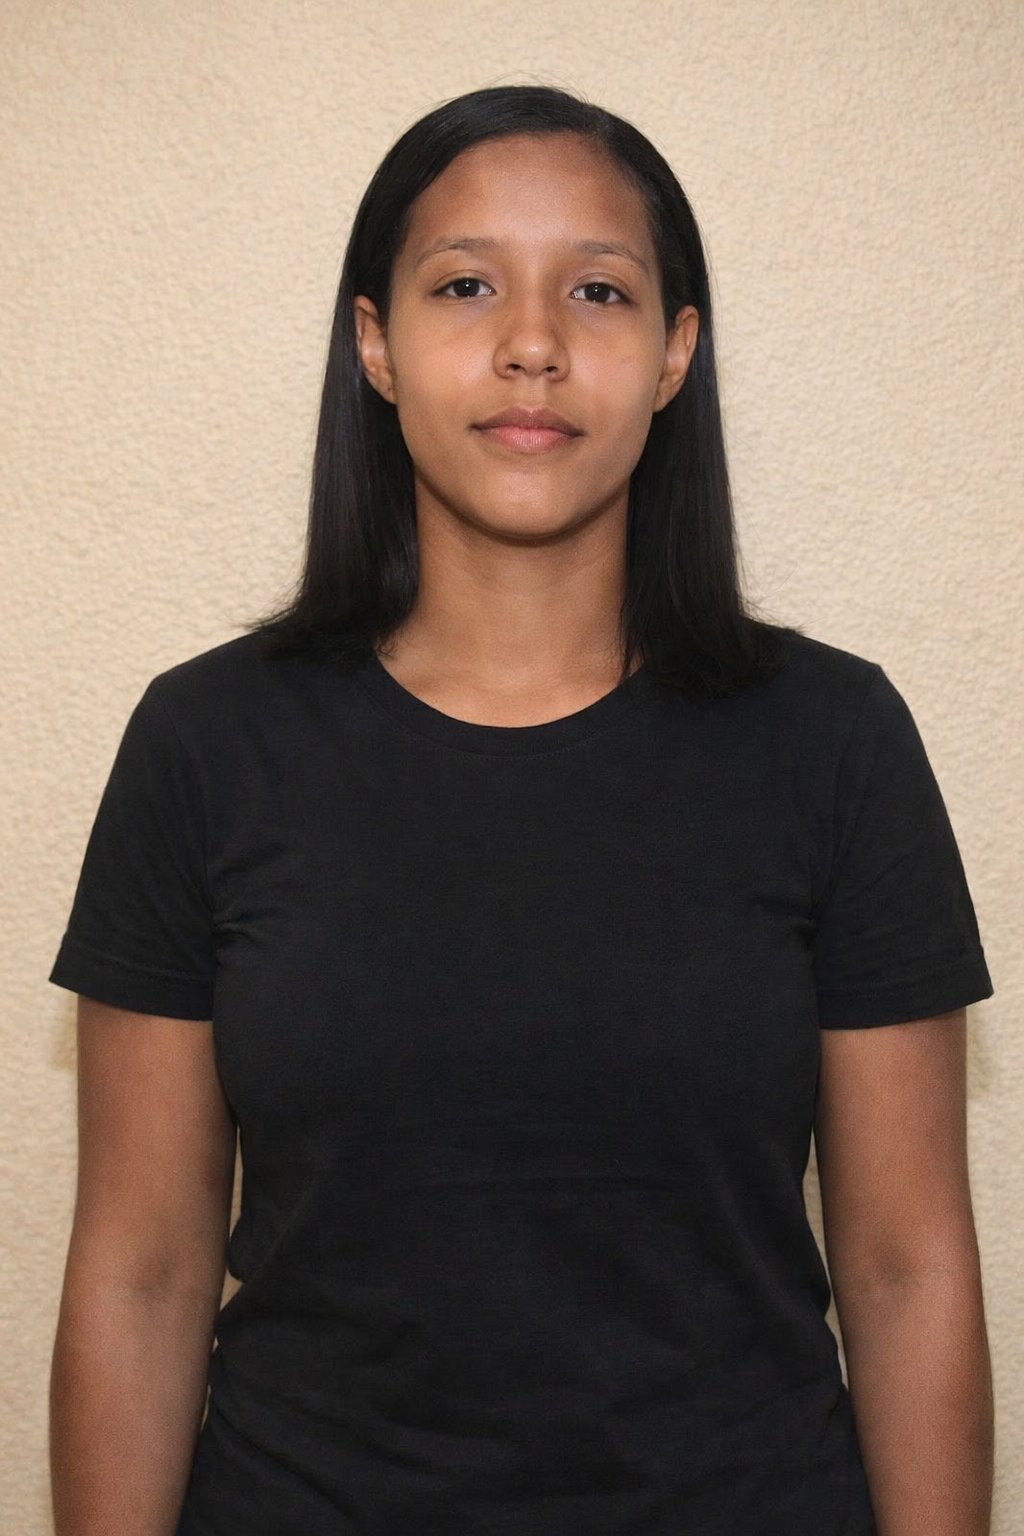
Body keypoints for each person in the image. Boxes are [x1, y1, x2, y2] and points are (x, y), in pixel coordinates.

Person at [48, 84, 995, 1536]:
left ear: (675, 355)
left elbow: (907, 1266)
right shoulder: (205, 743)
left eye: (598, 291)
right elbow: (143, 1272)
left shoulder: (834, 741)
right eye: (466, 285)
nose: (533, 344)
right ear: (375, 344)